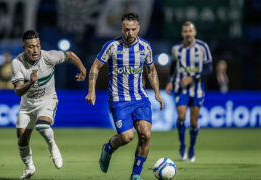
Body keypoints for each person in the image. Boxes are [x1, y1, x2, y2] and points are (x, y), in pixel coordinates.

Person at [86, 13, 164, 180]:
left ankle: (135, 175)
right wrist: (91, 91)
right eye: (126, 29)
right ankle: (108, 148)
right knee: (127, 137)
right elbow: (95, 67)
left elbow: (151, 71)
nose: (130, 33)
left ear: (139, 28)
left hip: (140, 99)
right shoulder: (112, 46)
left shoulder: (145, 47)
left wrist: (157, 93)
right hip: (119, 100)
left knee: (146, 135)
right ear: (121, 28)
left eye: (133, 29)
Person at [11, 30, 86, 179]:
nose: (35, 50)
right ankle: (29, 168)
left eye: (37, 45)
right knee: (21, 138)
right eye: (31, 47)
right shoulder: (17, 63)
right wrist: (30, 82)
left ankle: (53, 147)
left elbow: (70, 55)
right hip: (27, 105)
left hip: (47, 100)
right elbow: (19, 91)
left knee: (42, 126)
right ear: (24, 48)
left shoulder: (49, 57)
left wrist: (83, 70)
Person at [165, 21, 213, 162]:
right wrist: (169, 82)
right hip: (180, 88)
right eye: (185, 31)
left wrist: (192, 77)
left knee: (193, 121)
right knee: (181, 115)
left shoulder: (203, 47)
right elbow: (173, 67)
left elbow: (209, 69)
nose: (187, 34)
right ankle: (182, 146)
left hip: (197, 89)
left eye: (190, 31)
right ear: (182, 33)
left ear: (195, 32)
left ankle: (191, 148)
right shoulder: (176, 49)